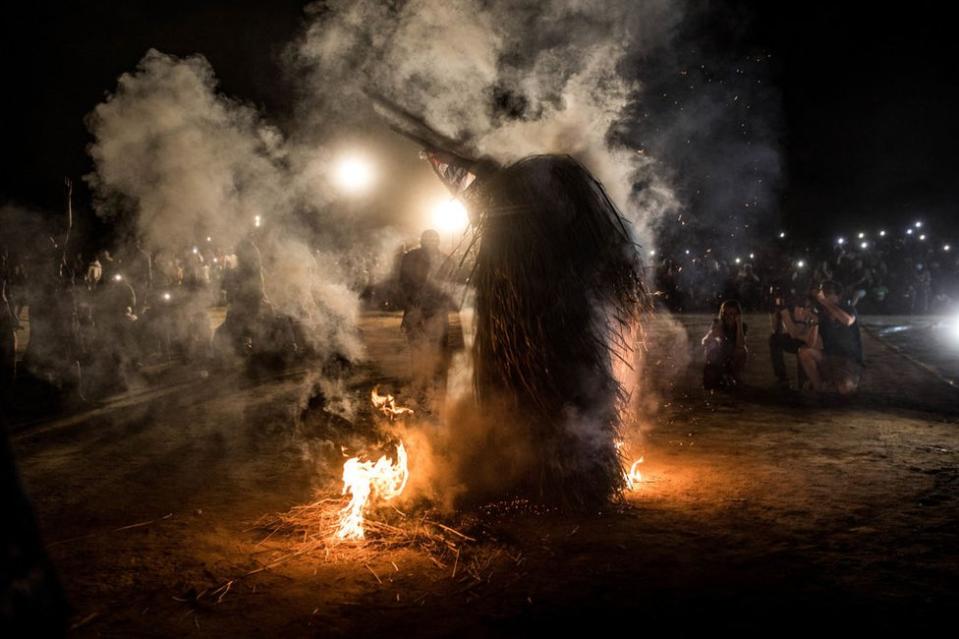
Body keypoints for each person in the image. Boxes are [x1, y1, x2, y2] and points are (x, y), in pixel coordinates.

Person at [398, 229, 453, 401]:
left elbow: (449, 287)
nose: (431, 242)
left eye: (434, 239)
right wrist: (411, 309)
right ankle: (421, 386)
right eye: (428, 239)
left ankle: (438, 388)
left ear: (438, 241)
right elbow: (404, 285)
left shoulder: (446, 260)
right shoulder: (410, 258)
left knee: (439, 352)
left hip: (437, 312)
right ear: (422, 241)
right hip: (416, 311)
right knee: (417, 351)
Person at [798, 280, 863, 395]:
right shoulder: (823, 314)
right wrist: (814, 321)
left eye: (828, 293)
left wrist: (824, 301)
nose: (825, 296)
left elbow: (847, 320)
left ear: (838, 296)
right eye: (824, 294)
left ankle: (843, 382)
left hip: (850, 361)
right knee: (805, 352)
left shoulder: (848, 309)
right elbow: (811, 344)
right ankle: (819, 389)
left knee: (844, 389)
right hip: (830, 357)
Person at [769, 294, 820, 389]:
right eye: (801, 306)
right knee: (774, 339)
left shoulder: (814, 315)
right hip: (801, 340)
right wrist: (778, 315)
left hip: (812, 347)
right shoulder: (795, 313)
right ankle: (782, 377)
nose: (803, 309)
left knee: (803, 348)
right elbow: (775, 329)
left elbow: (808, 341)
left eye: (807, 307)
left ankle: (804, 381)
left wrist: (792, 319)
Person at [702, 299, 747, 390]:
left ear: (737, 315)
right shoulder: (718, 324)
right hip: (720, 356)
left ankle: (733, 374)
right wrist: (714, 336)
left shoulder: (742, 326)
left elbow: (741, 344)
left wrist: (738, 324)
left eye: (732, 314)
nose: (728, 317)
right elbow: (705, 341)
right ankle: (720, 375)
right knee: (712, 345)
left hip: (733, 356)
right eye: (725, 314)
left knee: (742, 350)